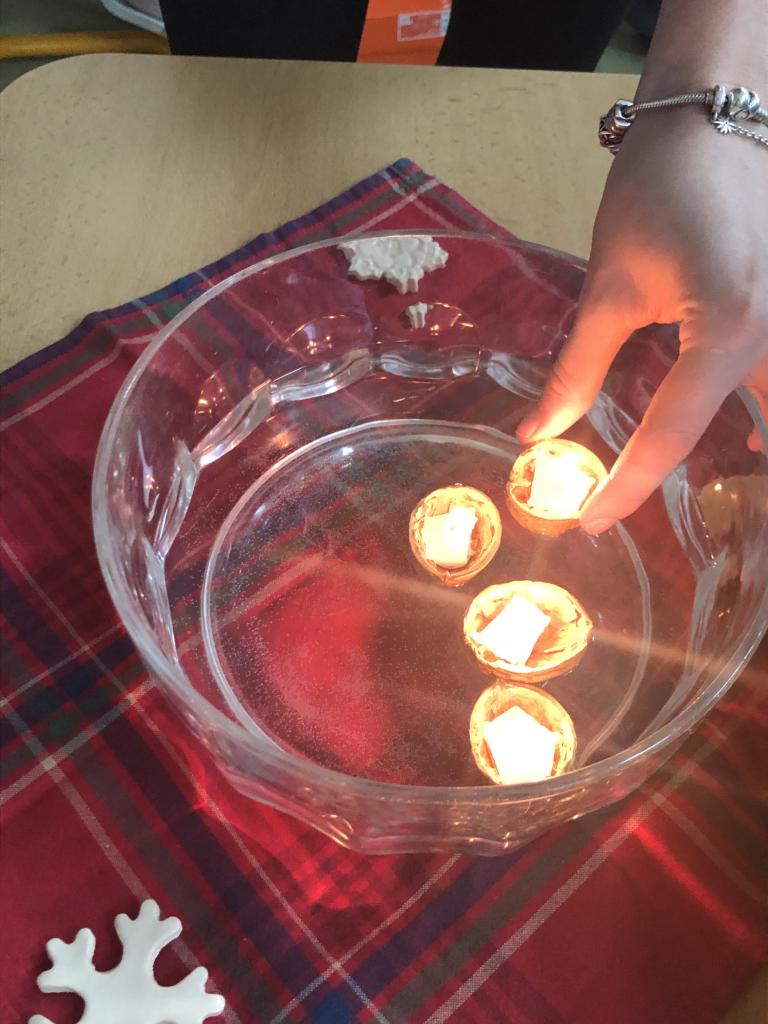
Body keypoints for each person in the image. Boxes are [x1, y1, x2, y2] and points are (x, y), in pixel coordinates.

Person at [159, 0, 768, 532]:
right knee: (252, 71)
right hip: (234, 113)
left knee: (518, 65)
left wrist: (708, 87)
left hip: (529, 54)